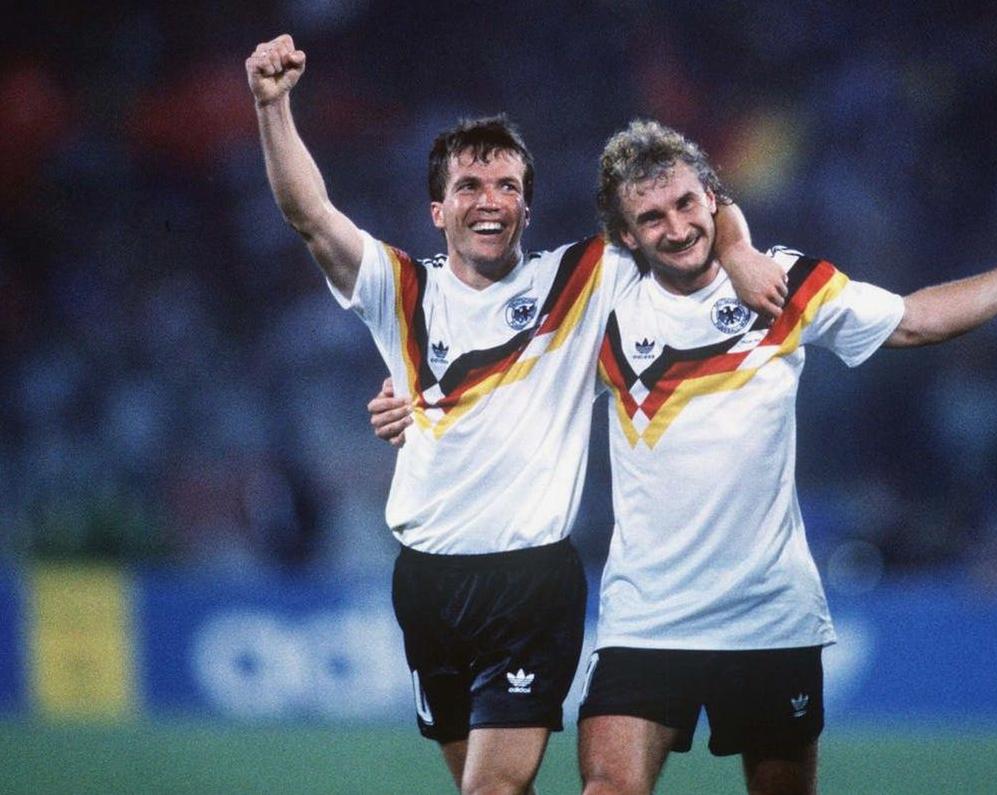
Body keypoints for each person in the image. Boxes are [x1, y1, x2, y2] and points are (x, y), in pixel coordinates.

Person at [369, 119, 997, 794]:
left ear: (713, 201)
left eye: (688, 205)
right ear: (625, 236)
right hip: (647, 618)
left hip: (769, 613)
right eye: (651, 218)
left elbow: (914, 320)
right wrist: (411, 400)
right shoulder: (601, 311)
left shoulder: (784, 284)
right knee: (607, 787)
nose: (676, 227)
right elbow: (496, 381)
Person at [245, 35, 785, 795]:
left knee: (488, 788)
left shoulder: (580, 277)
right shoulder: (399, 290)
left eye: (506, 185)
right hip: (425, 583)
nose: (490, 200)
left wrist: (739, 251)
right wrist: (272, 106)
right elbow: (310, 214)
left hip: (530, 582)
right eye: (469, 185)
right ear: (438, 209)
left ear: (526, 205)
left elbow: (689, 201)